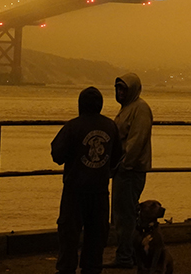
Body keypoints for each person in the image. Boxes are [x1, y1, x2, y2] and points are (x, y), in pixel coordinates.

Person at [51, 86, 121, 274]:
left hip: (74, 190)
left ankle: (66, 269)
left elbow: (57, 155)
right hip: (99, 191)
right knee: (96, 236)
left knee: (69, 235)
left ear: (80, 104)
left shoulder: (72, 126)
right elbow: (117, 157)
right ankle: (91, 269)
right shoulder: (111, 126)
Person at [109, 73, 152, 269]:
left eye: (123, 89)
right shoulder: (128, 108)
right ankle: (131, 254)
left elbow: (136, 141)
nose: (119, 93)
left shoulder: (139, 109)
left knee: (124, 215)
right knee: (124, 213)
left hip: (130, 170)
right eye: (118, 89)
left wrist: (124, 164)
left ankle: (125, 256)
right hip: (124, 169)